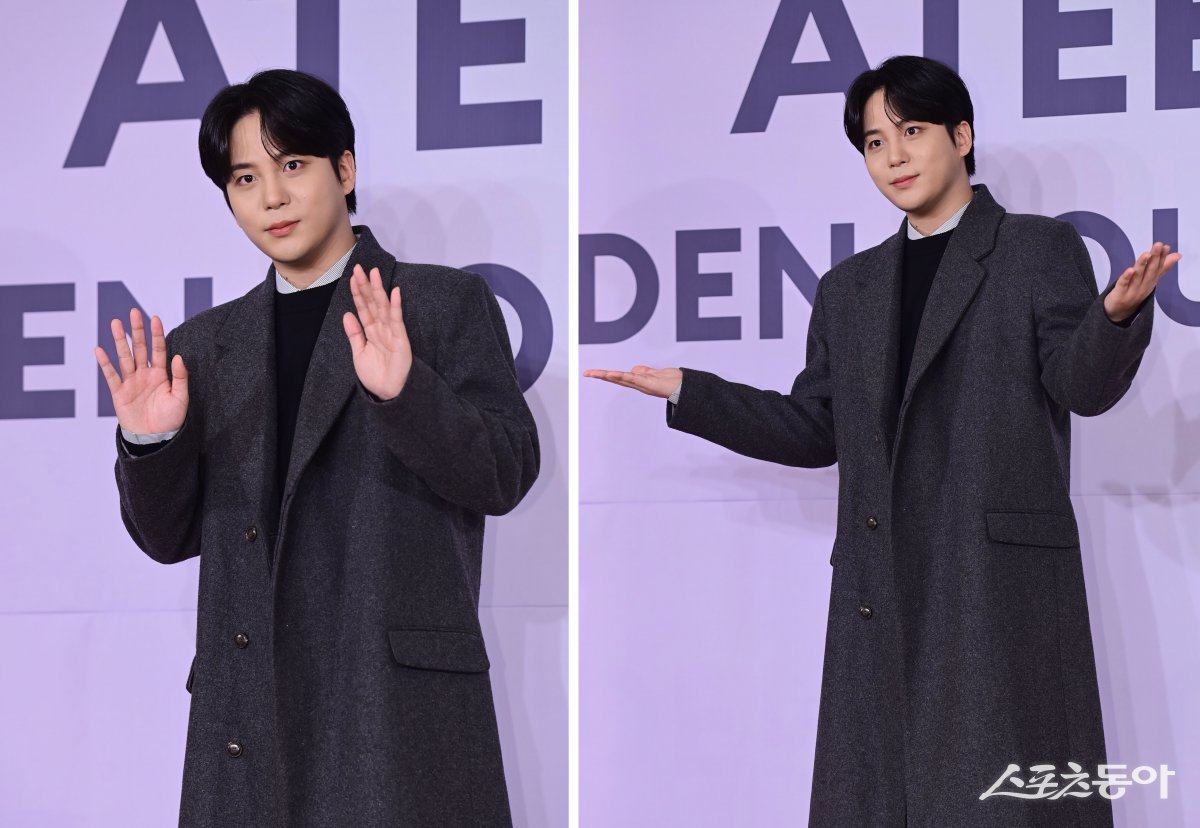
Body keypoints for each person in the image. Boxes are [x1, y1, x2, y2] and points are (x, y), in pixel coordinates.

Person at [585, 55, 1179, 826]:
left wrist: (1116, 319)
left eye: (912, 131)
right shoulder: (849, 288)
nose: (893, 156)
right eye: (874, 142)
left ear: (961, 136)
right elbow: (816, 426)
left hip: (993, 589)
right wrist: (690, 392)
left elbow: (1079, 386)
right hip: (879, 593)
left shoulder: (1034, 249)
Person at [95, 69, 538, 827]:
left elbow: (503, 474)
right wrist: (151, 441)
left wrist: (405, 394)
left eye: (292, 165)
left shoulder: (438, 305)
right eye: (245, 178)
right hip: (246, 715)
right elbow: (167, 539)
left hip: (391, 711)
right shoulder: (205, 348)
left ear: (346, 169)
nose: (272, 197)